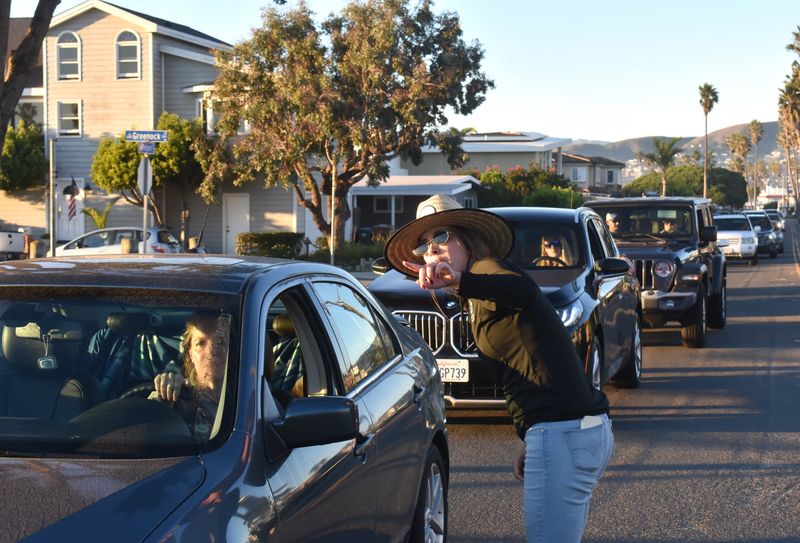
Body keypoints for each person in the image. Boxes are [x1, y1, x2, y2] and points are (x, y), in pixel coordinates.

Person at [385, 194, 613, 542]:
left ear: (466, 238)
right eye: (424, 248)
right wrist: (528, 434)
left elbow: (522, 291)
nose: (433, 250)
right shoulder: (477, 290)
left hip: (564, 435)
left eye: (441, 237)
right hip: (566, 432)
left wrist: (461, 280)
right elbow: (517, 369)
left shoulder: (487, 271)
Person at [151, 314, 230, 437]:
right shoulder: (179, 396)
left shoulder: (247, 397)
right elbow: (147, 434)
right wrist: (164, 398)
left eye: (220, 342)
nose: (211, 351)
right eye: (200, 343)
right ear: (190, 354)